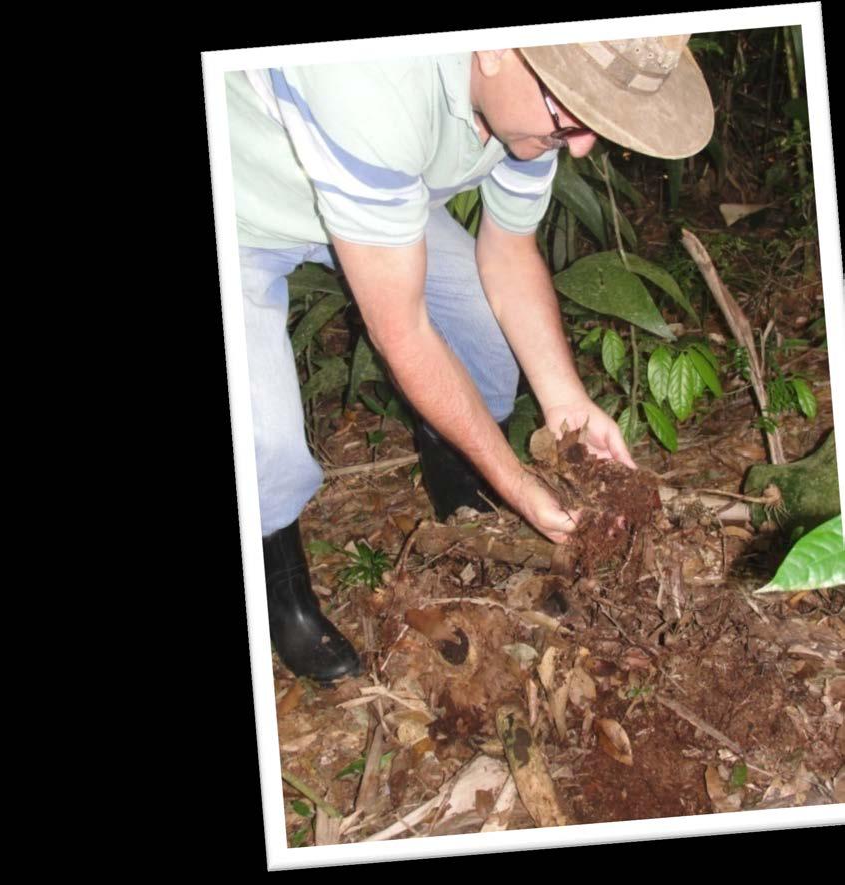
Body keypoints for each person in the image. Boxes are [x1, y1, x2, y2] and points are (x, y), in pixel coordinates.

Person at [225, 36, 714, 682]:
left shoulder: (530, 112)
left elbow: (509, 253)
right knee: (265, 442)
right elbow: (403, 332)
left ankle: (456, 489)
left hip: (385, 197)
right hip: (244, 203)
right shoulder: (372, 77)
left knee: (485, 345)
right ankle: (285, 594)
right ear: (492, 49)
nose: (584, 143)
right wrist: (515, 481)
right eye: (570, 109)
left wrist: (567, 404)